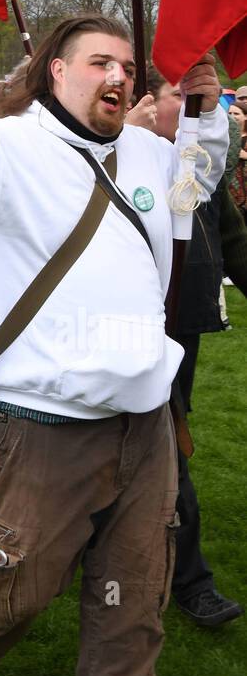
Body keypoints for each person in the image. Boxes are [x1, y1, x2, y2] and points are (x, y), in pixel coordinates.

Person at [0, 0, 227, 676]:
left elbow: (193, 185)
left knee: (133, 612)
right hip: (39, 427)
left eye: (128, 65)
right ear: (56, 73)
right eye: (100, 61)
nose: (120, 74)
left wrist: (205, 110)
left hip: (144, 425)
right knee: (13, 593)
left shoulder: (146, 150)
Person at [128, 68, 243, 628]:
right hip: (115, 335)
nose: (193, 104)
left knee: (169, 447)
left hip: (181, 333)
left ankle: (189, 579)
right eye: (181, 95)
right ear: (148, 103)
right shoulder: (111, 162)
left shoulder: (198, 169)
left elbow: (232, 239)